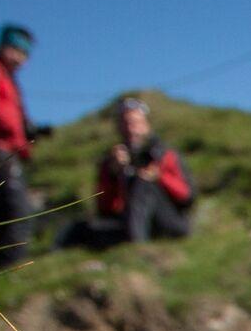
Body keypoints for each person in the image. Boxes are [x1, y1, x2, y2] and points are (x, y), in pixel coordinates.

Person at [0, 24, 51, 269]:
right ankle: (9, 268)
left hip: (6, 149)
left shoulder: (7, 78)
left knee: (9, 210)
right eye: (16, 51)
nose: (21, 60)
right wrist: (17, 128)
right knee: (16, 209)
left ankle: (2, 270)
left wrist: (29, 131)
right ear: (4, 46)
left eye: (25, 55)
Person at [80, 98, 195, 246]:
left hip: (169, 220)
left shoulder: (165, 155)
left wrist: (159, 177)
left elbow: (187, 196)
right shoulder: (112, 161)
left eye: (135, 122)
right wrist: (113, 174)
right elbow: (104, 207)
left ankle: (137, 245)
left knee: (144, 184)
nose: (130, 128)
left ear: (147, 124)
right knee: (80, 228)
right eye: (125, 123)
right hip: (126, 220)